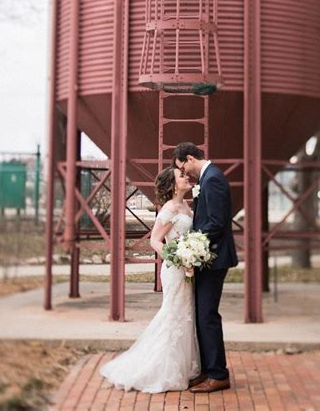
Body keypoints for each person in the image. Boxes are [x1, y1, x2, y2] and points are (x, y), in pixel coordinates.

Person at [99, 165, 200, 393]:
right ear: (173, 184)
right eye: (181, 176)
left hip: (187, 267)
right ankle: (160, 369)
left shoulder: (185, 205)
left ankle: (183, 367)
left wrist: (192, 256)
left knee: (185, 315)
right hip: (175, 269)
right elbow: (155, 240)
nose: (186, 177)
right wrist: (176, 258)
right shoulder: (169, 208)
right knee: (173, 315)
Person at [173, 142, 238, 394]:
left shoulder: (213, 179)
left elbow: (217, 223)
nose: (185, 174)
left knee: (208, 315)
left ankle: (218, 374)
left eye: (183, 168)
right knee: (201, 314)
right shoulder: (208, 178)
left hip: (214, 257)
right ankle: (207, 369)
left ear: (189, 158)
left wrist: (192, 245)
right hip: (206, 256)